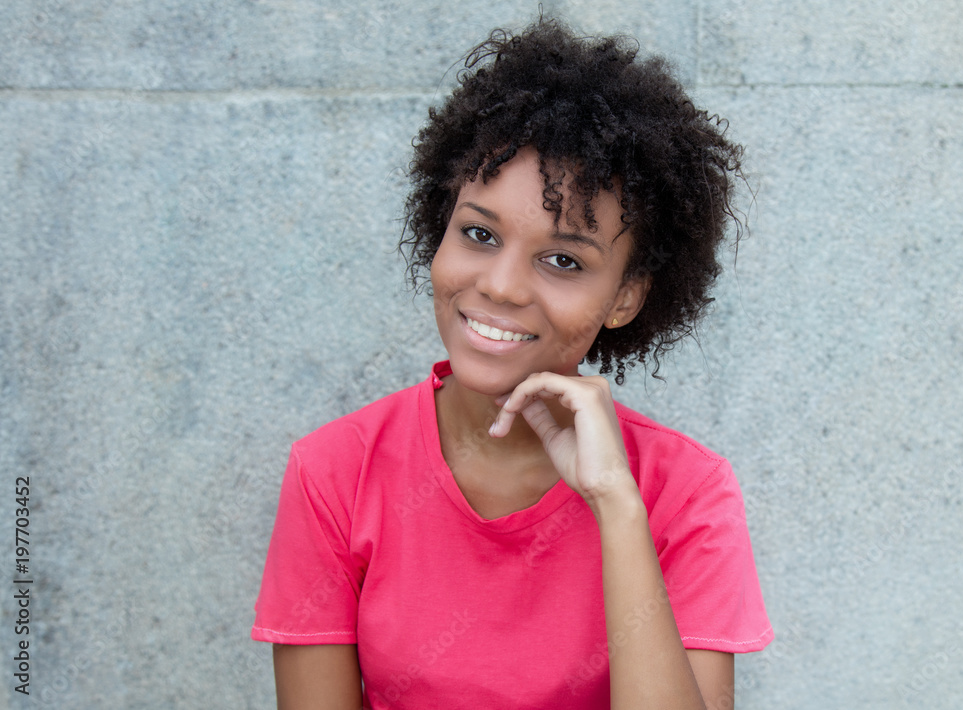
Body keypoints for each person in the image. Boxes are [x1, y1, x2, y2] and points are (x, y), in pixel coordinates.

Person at [252, 17, 772, 710]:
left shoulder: (687, 494)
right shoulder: (334, 473)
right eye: (478, 233)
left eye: (562, 260)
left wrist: (617, 507)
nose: (500, 285)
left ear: (624, 297)